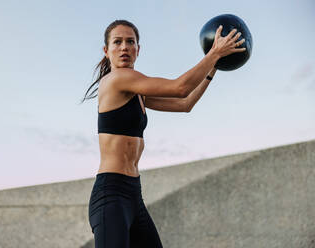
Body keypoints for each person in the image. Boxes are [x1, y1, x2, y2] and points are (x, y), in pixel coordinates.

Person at [81, 20, 246, 248]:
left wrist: (214, 66)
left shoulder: (137, 92)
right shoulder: (116, 80)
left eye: (131, 42)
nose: (124, 47)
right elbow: (179, 87)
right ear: (106, 51)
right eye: (117, 42)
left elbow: (185, 102)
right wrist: (214, 53)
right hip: (111, 195)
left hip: (133, 194)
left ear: (138, 49)